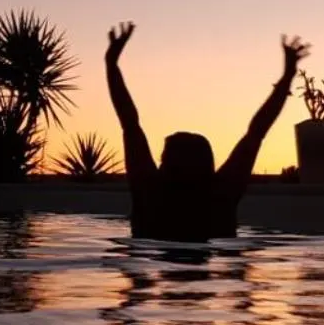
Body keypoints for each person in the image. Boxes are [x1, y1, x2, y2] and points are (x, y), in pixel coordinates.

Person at [105, 21, 308, 242]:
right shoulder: (221, 195)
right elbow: (257, 132)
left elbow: (129, 123)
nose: (160, 164)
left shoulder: (150, 192)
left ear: (170, 166)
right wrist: (288, 75)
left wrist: (111, 64)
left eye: (164, 159)